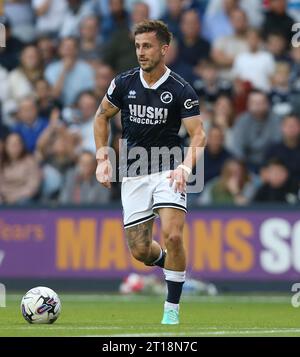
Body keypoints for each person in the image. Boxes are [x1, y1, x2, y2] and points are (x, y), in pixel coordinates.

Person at [93, 20, 206, 324]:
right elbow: (101, 117)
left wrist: (185, 167)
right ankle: (176, 270)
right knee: (141, 252)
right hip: (133, 171)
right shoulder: (123, 82)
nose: (141, 52)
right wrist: (103, 158)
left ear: (164, 49)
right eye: (138, 46)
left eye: (147, 46)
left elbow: (199, 136)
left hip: (170, 167)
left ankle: (172, 310)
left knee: (172, 235)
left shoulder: (181, 89)